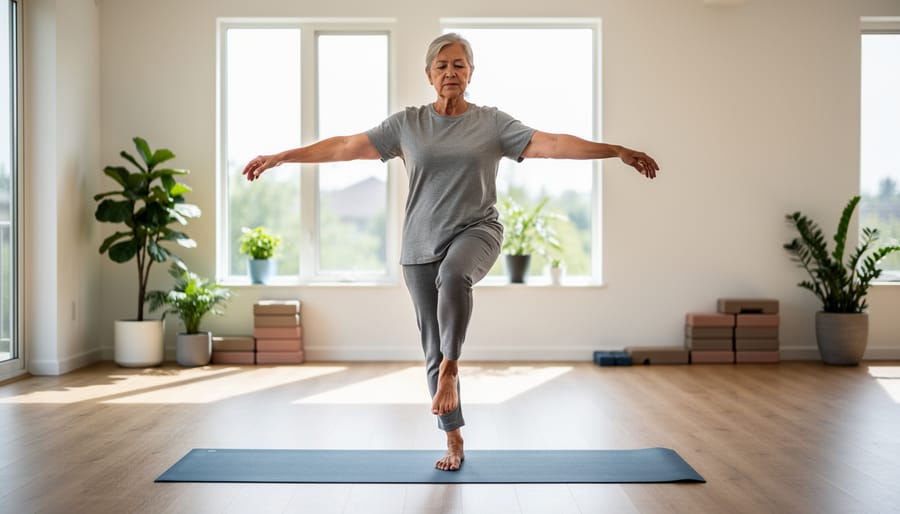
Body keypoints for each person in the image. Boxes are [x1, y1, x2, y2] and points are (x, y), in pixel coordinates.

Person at [242, 33, 659, 471]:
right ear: (428, 74)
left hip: (477, 230)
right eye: (442, 66)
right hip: (419, 245)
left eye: (459, 65)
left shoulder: (492, 123)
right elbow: (345, 147)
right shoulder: (407, 125)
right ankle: (454, 438)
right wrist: (282, 156)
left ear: (471, 73)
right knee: (432, 345)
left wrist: (615, 151)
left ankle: (452, 368)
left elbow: (551, 144)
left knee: (456, 276)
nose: (450, 73)